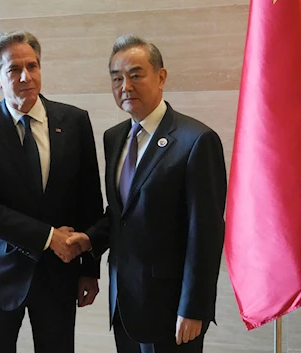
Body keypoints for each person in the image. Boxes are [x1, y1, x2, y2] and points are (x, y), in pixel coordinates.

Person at [66, 34, 228, 353]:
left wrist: (194, 308)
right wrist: (90, 240)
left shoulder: (196, 140)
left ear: (161, 76)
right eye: (117, 78)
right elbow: (121, 216)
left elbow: (206, 234)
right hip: (124, 303)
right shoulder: (115, 138)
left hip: (172, 308)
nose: (126, 86)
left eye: (136, 74)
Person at [0, 30, 103, 353]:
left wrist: (89, 270)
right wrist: (50, 237)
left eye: (33, 66)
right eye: (14, 69)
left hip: (59, 275)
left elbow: (89, 200)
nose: (26, 76)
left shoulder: (75, 121)